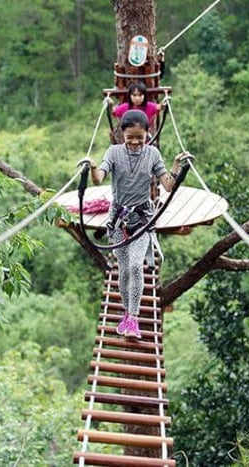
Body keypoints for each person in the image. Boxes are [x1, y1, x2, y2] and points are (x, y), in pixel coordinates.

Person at [81, 110, 185, 339]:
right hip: (118, 220)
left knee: (137, 267)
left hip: (143, 219)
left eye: (140, 137)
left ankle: (134, 318)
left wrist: (177, 165)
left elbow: (168, 185)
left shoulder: (153, 154)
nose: (136, 142)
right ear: (121, 135)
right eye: (130, 138)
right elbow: (99, 178)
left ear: (148, 133)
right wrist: (90, 166)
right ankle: (126, 313)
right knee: (125, 269)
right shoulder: (114, 152)